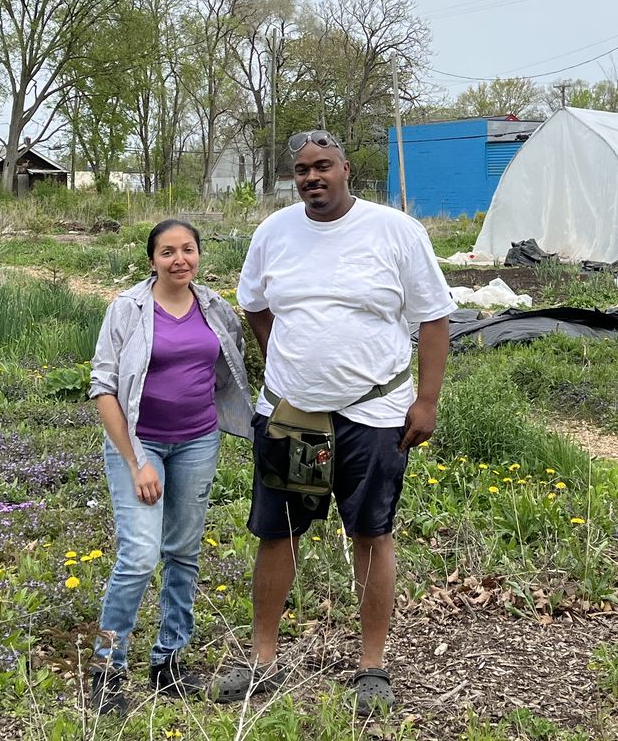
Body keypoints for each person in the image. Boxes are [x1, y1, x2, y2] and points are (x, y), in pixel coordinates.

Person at [211, 130, 453, 716]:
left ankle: (372, 666)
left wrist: (426, 400)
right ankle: (262, 659)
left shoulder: (396, 232)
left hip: (373, 414)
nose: (312, 177)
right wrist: (288, 365)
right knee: (279, 533)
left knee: (370, 532)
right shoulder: (274, 233)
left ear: (346, 169)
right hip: (291, 415)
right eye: (301, 170)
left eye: (323, 166)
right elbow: (255, 305)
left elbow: (435, 317)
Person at [86, 218, 255, 714]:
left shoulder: (216, 308)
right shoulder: (127, 309)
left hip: (198, 441)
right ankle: (107, 669)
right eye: (167, 252)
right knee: (139, 555)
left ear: (199, 254)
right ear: (152, 259)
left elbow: (230, 368)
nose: (179, 259)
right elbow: (103, 387)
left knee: (182, 551)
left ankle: (168, 661)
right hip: (139, 445)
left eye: (188, 250)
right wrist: (138, 461)